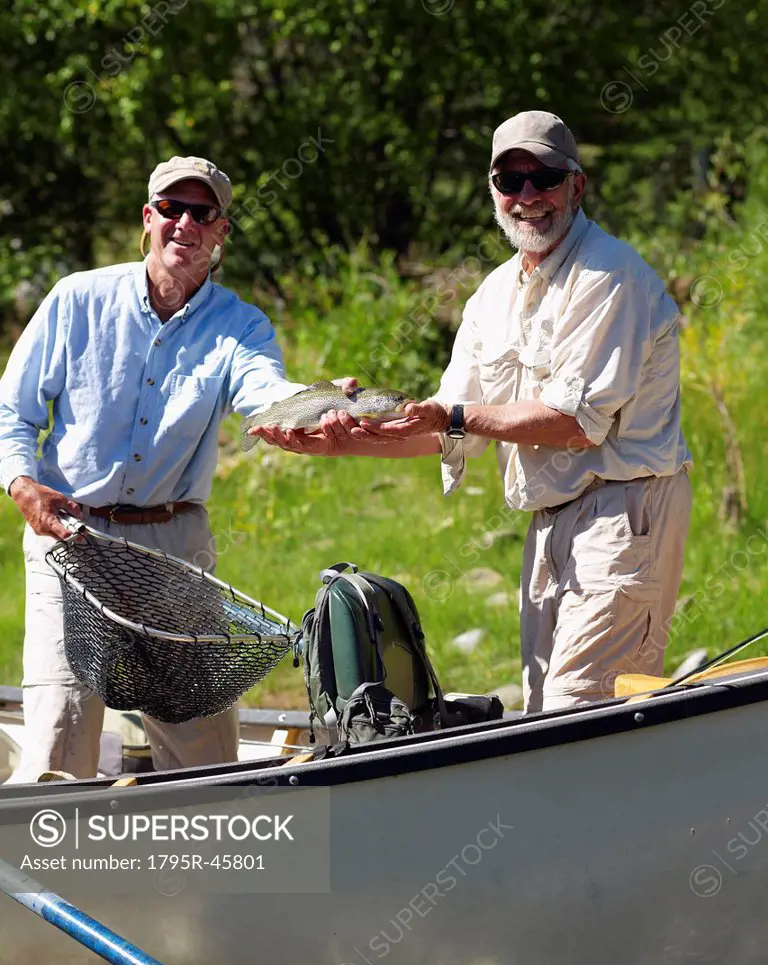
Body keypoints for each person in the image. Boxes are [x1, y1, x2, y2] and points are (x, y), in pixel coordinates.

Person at [250, 111, 693, 714]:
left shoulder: (610, 277)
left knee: (581, 709)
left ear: (577, 186)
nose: (528, 197)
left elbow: (571, 422)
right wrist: (345, 443)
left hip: (625, 509)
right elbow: (443, 432)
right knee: (543, 706)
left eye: (545, 177)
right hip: (547, 521)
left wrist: (450, 417)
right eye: (511, 182)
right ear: (493, 192)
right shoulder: (493, 295)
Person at [0, 155, 311, 781]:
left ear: (221, 233)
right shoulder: (76, 299)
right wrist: (21, 483)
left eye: (203, 214)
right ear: (148, 218)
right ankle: (59, 875)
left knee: (204, 747)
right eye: (171, 210)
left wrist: (319, 407)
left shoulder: (240, 325)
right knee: (60, 737)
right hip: (71, 539)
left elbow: (266, 392)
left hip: (175, 548)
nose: (184, 225)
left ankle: (207, 870)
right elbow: (12, 409)